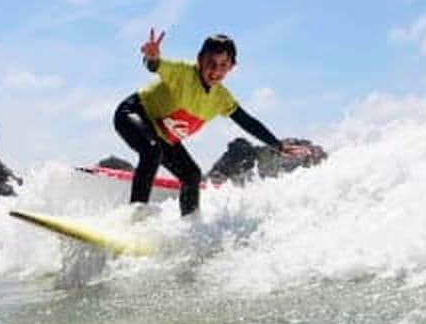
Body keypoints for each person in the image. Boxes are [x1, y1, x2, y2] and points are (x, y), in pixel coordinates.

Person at [114, 28, 319, 217]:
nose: (216, 71)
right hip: (133, 113)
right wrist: (151, 57)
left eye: (223, 66)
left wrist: (277, 144)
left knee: (192, 175)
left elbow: (246, 121)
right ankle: (134, 218)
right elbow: (155, 64)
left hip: (163, 136)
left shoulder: (221, 98)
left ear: (231, 67)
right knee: (151, 151)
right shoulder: (184, 74)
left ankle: (190, 227)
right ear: (199, 60)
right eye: (211, 63)